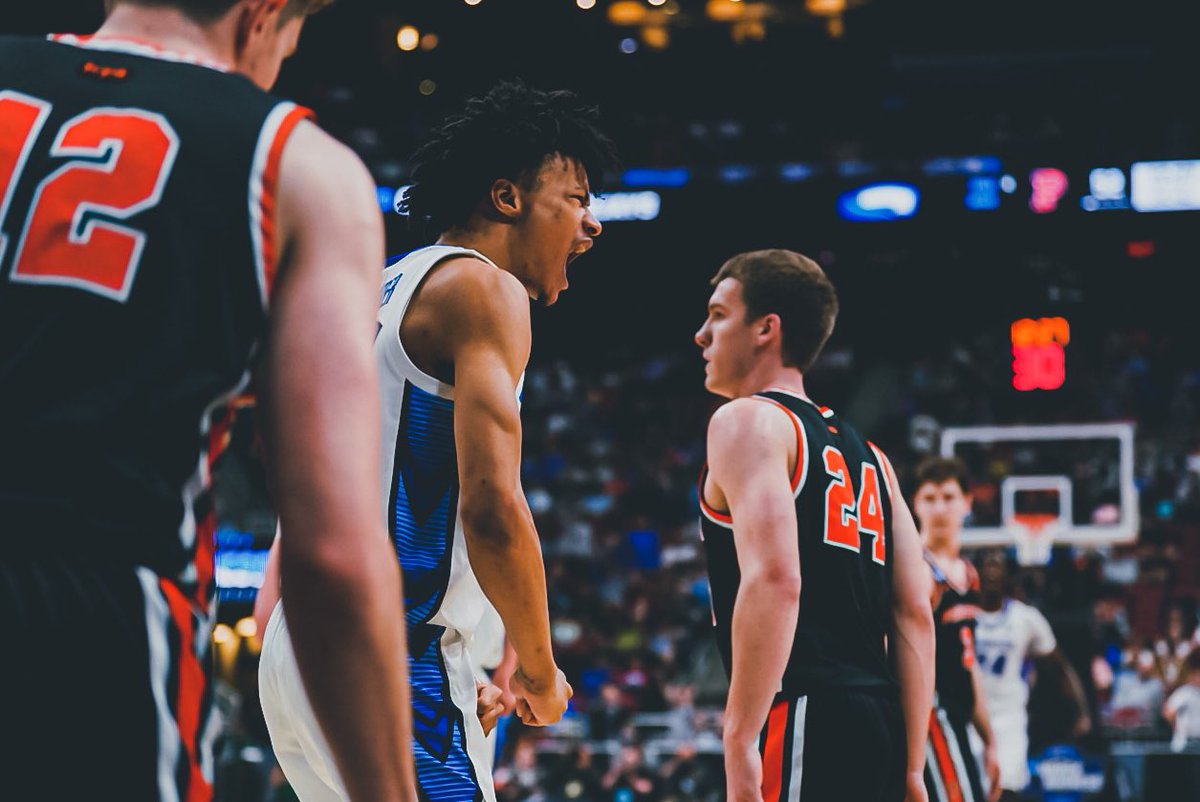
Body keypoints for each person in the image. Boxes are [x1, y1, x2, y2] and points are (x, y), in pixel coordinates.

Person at [0, 1, 416, 800]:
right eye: (290, 44)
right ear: (261, 17)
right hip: (90, 620)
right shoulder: (296, 164)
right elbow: (331, 550)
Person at [257, 80, 618, 802]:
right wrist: (543, 675)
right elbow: (492, 508)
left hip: (296, 644)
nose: (592, 224)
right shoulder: (484, 290)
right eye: (577, 200)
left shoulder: (382, 289)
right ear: (509, 198)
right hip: (389, 652)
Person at [694, 249, 935, 802]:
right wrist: (914, 767)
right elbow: (915, 612)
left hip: (802, 710)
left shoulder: (747, 420)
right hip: (881, 722)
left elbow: (777, 579)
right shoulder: (875, 459)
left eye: (718, 314)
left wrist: (739, 737)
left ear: (766, 329)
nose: (701, 335)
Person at [912, 457, 1001, 802]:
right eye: (930, 498)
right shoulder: (915, 569)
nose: (939, 508)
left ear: (967, 503)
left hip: (957, 714)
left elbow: (969, 663)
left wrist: (990, 740)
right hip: (928, 711)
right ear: (915, 504)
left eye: (948, 497)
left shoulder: (968, 574)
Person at [975, 550, 1090, 801]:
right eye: (988, 564)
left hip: (1008, 719)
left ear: (1009, 577)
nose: (993, 570)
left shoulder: (1025, 618)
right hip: (968, 717)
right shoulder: (962, 614)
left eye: (999, 565)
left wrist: (1081, 711)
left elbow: (1059, 667)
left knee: (1006, 789)